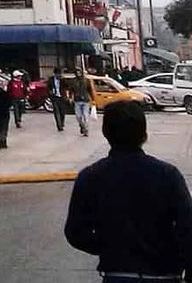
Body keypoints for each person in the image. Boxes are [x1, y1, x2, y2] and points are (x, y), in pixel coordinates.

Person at [65, 99, 192, 281]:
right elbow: (187, 227)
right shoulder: (168, 175)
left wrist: (109, 247)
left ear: (106, 132)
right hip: (164, 273)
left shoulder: (91, 176)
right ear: (144, 133)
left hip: (117, 274)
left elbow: (75, 232)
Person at [73, 69, 94, 137]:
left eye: (79, 73)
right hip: (77, 100)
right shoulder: (74, 81)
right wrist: (70, 96)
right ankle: (82, 126)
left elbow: (90, 90)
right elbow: (71, 89)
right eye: (77, 73)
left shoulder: (86, 80)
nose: (78, 74)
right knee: (78, 116)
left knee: (85, 116)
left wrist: (93, 99)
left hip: (85, 100)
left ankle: (86, 130)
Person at [48, 67, 68, 132]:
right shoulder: (51, 79)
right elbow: (48, 88)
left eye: (60, 74)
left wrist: (63, 79)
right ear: (55, 74)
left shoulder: (62, 80)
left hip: (62, 97)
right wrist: (50, 94)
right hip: (55, 98)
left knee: (62, 112)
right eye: (58, 74)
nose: (59, 75)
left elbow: (67, 86)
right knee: (56, 112)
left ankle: (62, 123)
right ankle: (59, 125)